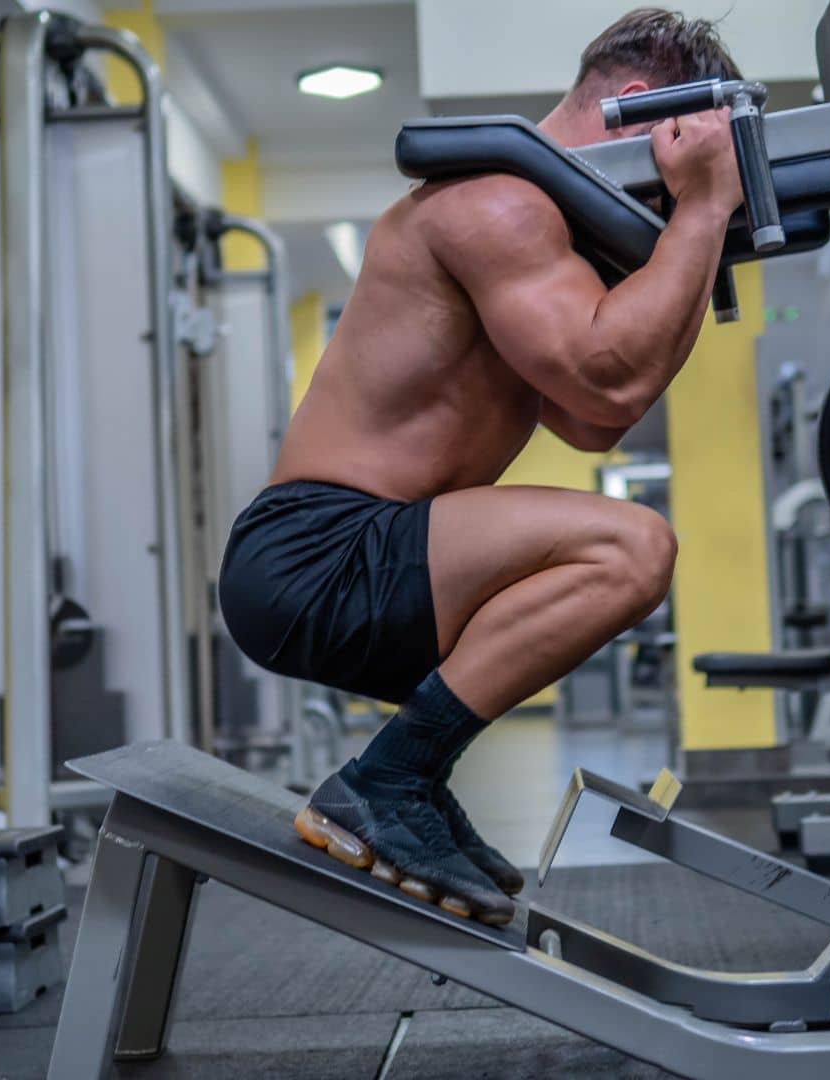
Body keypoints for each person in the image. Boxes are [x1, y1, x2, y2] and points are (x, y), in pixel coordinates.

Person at [220, 8, 744, 926]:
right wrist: (702, 209)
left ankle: (410, 776)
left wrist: (691, 238)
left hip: (379, 560)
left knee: (617, 549)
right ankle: (390, 780)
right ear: (637, 109)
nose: (666, 198)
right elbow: (610, 377)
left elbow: (595, 421)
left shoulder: (544, 228)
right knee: (630, 549)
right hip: (318, 553)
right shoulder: (497, 202)